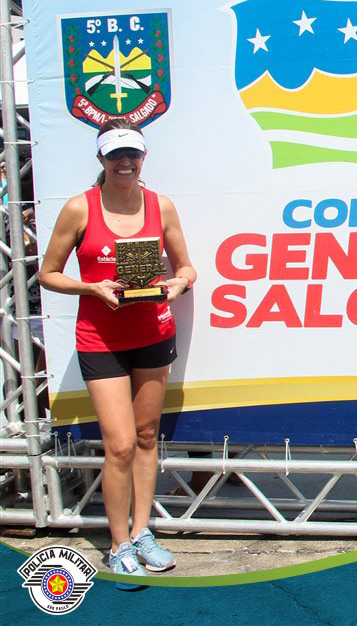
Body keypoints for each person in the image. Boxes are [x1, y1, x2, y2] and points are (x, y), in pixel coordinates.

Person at [39, 118, 196, 589]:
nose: (125, 162)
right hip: (101, 339)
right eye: (115, 154)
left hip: (153, 332)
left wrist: (178, 283)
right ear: (101, 158)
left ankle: (142, 532)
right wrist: (92, 287)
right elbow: (48, 273)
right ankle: (118, 544)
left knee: (146, 436)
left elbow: (187, 267)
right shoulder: (79, 208)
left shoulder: (160, 205)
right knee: (121, 444)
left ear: (144, 156)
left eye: (132, 153)